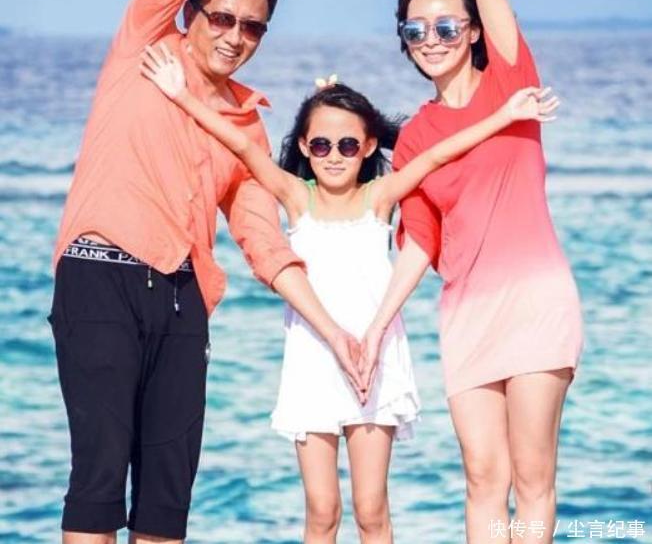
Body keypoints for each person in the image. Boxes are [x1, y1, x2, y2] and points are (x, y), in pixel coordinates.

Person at [140, 43, 558, 544]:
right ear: (304, 148)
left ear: (367, 146)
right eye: (320, 145)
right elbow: (243, 147)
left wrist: (505, 115)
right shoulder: (296, 197)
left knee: (371, 510)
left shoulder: (379, 197)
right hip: (313, 361)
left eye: (346, 145)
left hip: (373, 363)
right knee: (321, 510)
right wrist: (182, 96)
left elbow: (439, 153)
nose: (334, 156)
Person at [48, 0, 366, 544]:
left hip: (182, 301)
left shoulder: (246, 125)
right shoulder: (144, 44)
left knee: (167, 499)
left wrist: (333, 329)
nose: (234, 37)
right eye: (222, 17)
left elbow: (263, 242)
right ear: (192, 11)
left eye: (252, 27)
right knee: (99, 480)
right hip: (99, 276)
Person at [354, 0, 584, 544]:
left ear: (475, 30)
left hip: (537, 302)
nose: (431, 39)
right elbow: (421, 241)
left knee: (532, 475)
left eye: (446, 25)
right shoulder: (415, 137)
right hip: (466, 317)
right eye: (415, 30)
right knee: (483, 477)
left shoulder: (511, 80)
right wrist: (375, 327)